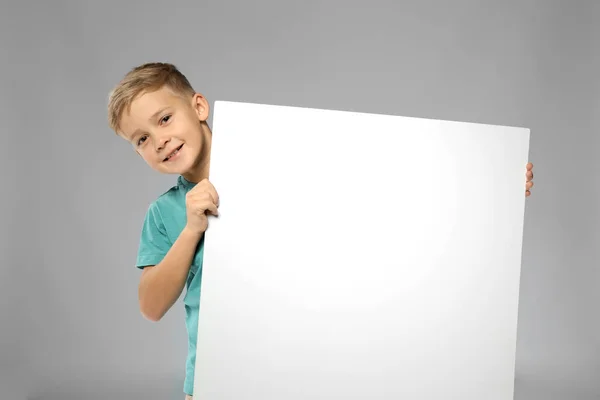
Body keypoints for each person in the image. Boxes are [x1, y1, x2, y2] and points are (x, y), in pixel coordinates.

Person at [107, 62, 535, 399]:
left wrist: (496, 187)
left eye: (164, 119)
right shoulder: (164, 213)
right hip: (218, 378)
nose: (158, 140)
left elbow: (392, 197)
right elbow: (151, 305)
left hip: (305, 366)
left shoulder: (287, 163)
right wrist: (191, 230)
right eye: (141, 140)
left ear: (198, 107)